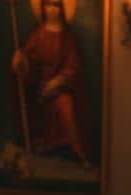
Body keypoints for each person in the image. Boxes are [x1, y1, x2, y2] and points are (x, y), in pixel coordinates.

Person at [11, 0, 92, 169]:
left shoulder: (68, 37)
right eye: (48, 5)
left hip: (62, 87)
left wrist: (57, 81)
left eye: (55, 5)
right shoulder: (38, 34)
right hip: (39, 87)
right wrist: (20, 60)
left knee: (65, 104)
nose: (52, 10)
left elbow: (73, 67)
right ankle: (45, 144)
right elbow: (28, 61)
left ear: (61, 9)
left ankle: (79, 152)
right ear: (43, 8)